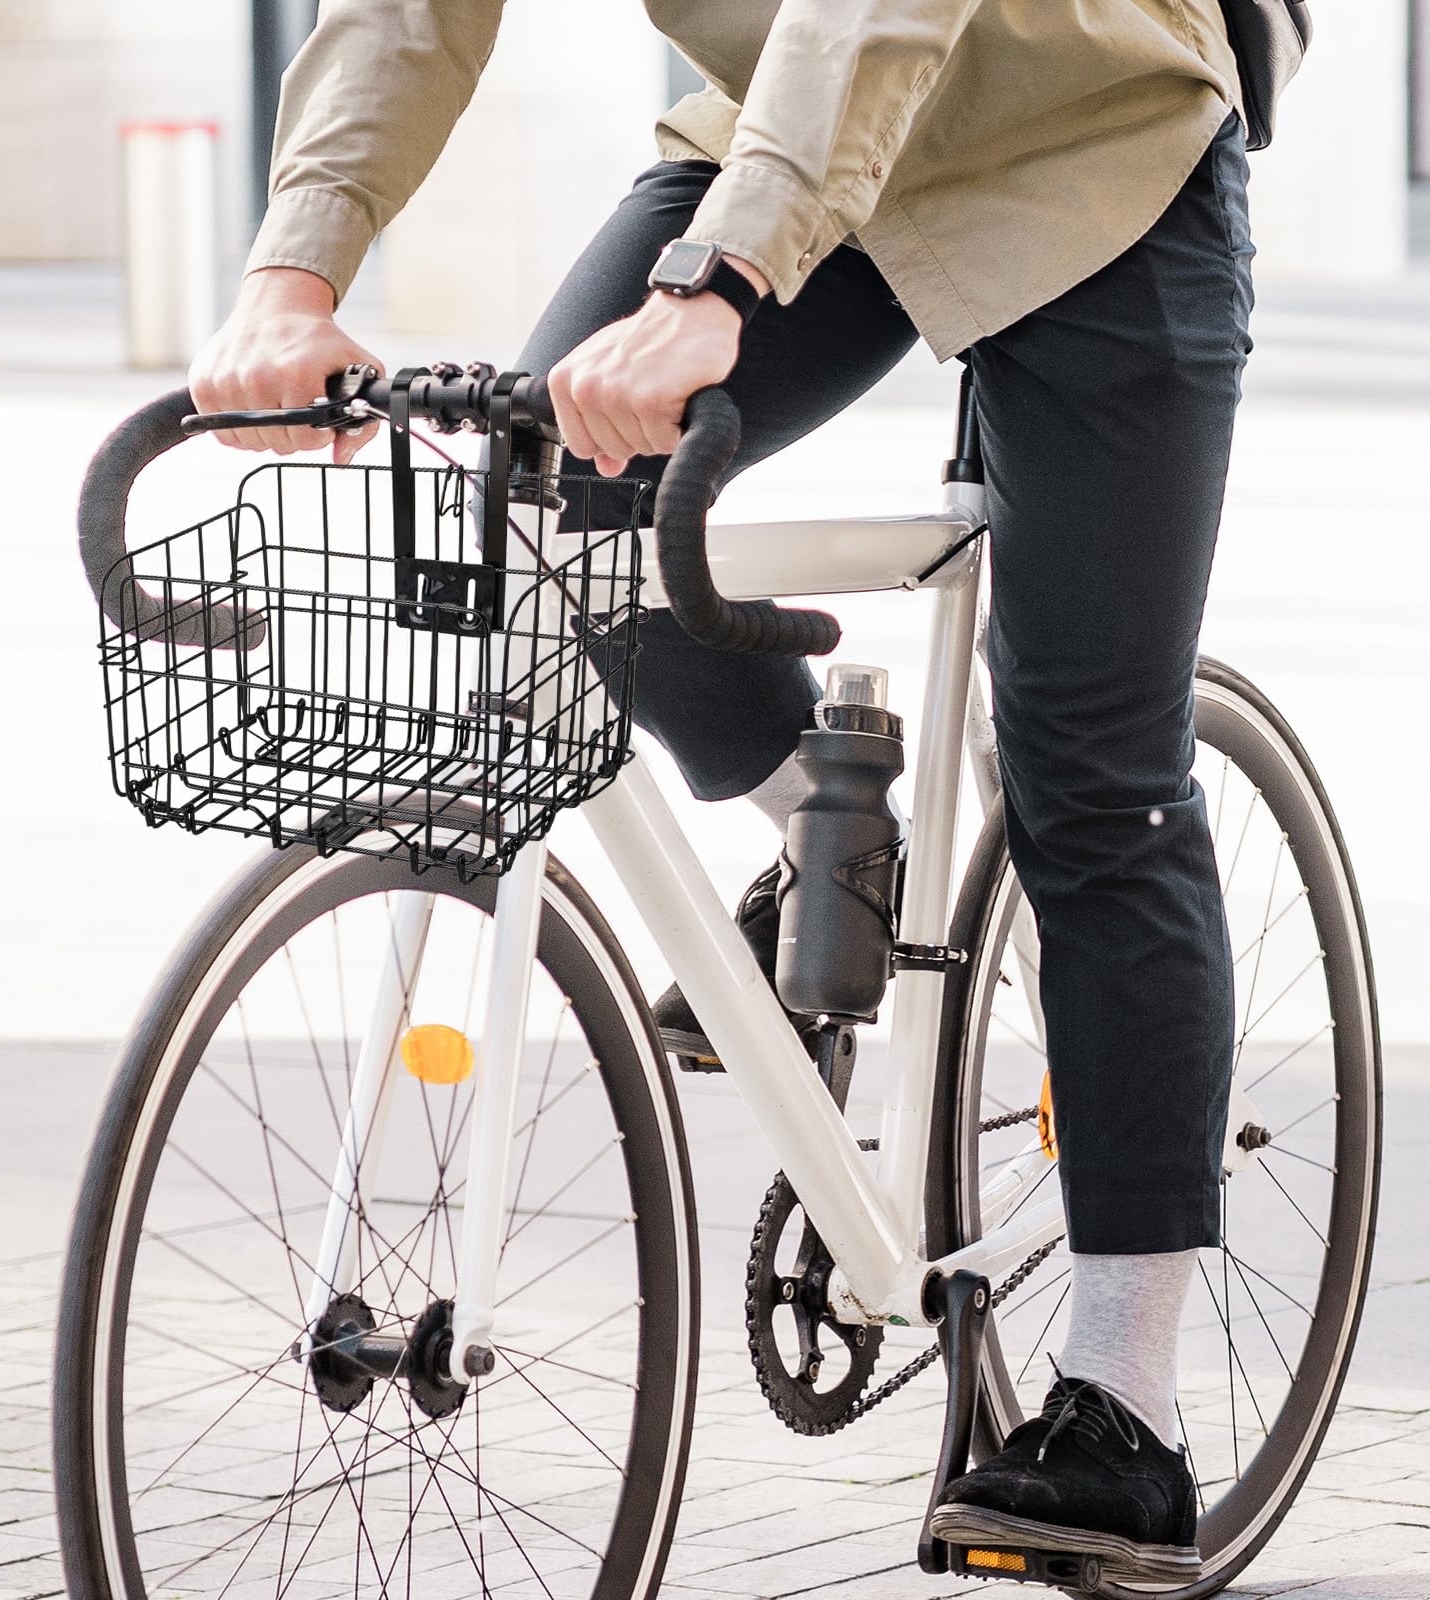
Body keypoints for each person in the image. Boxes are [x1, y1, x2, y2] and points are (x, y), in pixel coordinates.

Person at [190, 1, 1254, 1583]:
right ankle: (832, 846)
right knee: (562, 496)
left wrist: (721, 281)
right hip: (783, 142)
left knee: (1091, 772)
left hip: (1091, 150)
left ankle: (1127, 1406)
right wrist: (292, 274)